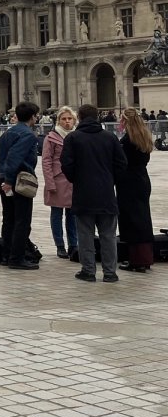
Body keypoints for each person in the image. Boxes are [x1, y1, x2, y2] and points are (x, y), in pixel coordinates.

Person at [61, 103, 127, 283]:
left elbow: (66, 164)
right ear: (97, 117)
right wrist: (110, 180)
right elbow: (122, 164)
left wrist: (77, 179)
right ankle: (110, 273)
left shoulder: (73, 138)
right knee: (108, 235)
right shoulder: (110, 137)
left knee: (85, 234)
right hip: (106, 193)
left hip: (83, 193)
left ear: (79, 118)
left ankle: (88, 271)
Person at [0, 100, 41, 271]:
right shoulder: (28, 134)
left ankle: (6, 255)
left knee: (8, 219)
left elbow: (1, 159)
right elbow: (14, 157)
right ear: (32, 117)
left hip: (4, 180)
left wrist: (2, 178)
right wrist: (9, 181)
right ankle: (17, 258)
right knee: (22, 220)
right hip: (18, 180)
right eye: (36, 116)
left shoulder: (7, 133)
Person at [116, 107, 154, 273]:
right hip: (143, 179)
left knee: (131, 220)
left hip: (129, 181)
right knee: (143, 217)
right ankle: (145, 258)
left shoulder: (126, 141)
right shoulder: (143, 136)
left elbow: (121, 163)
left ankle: (136, 260)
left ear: (125, 121)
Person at [41, 106, 78, 260]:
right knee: (56, 214)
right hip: (57, 180)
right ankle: (60, 245)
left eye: (69, 118)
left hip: (74, 181)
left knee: (73, 215)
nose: (67, 121)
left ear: (74, 120)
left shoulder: (78, 136)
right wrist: (50, 183)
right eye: (64, 119)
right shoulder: (51, 137)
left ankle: (73, 245)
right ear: (58, 121)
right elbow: (46, 161)